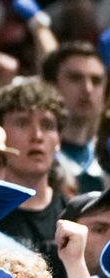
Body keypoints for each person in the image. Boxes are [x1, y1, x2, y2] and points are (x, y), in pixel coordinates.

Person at [0, 80, 67, 278]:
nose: (37, 136)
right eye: (22, 123)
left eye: (48, 125)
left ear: (58, 140)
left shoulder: (75, 216)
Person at [42, 42, 106, 194]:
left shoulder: (106, 161)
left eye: (96, 81)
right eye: (76, 78)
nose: (87, 89)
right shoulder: (32, 159)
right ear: (51, 86)